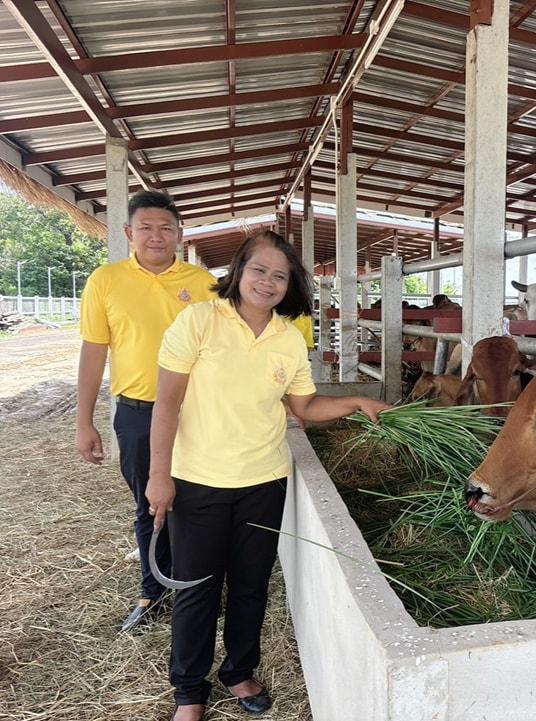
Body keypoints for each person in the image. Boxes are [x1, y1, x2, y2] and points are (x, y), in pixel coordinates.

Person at [146, 230, 391, 721]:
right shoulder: (198, 320)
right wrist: (160, 475)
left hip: (264, 479)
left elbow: (304, 406)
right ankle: (189, 692)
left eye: (280, 276)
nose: (268, 282)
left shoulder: (288, 338)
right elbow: (166, 402)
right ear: (238, 270)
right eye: (259, 270)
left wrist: (356, 401)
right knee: (198, 587)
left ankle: (238, 671)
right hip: (198, 479)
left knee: (251, 583)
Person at [76, 190, 216, 633]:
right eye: (146, 228)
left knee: (197, 500)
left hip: (198, 410)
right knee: (150, 502)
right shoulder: (106, 280)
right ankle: (153, 591)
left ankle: (200, 589)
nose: (156, 236)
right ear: (128, 233)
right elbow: (94, 351)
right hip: (137, 411)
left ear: (180, 233)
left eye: (165, 228)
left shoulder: (204, 282)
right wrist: (84, 420)